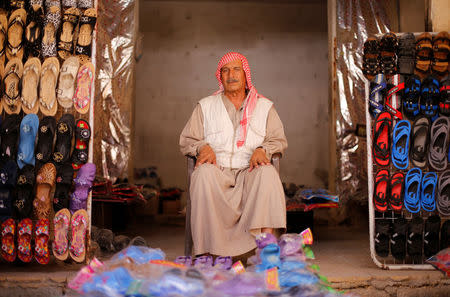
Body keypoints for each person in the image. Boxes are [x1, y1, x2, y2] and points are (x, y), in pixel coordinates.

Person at [179, 52, 288, 257]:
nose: (231, 75)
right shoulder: (206, 106)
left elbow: (278, 140)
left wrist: (263, 150)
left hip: (250, 172)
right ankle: (206, 253)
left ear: (246, 75)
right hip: (217, 172)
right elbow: (187, 140)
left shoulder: (265, 107)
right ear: (220, 76)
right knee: (202, 175)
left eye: (236, 69)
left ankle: (267, 249)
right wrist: (202, 147)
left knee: (268, 173)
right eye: (225, 70)